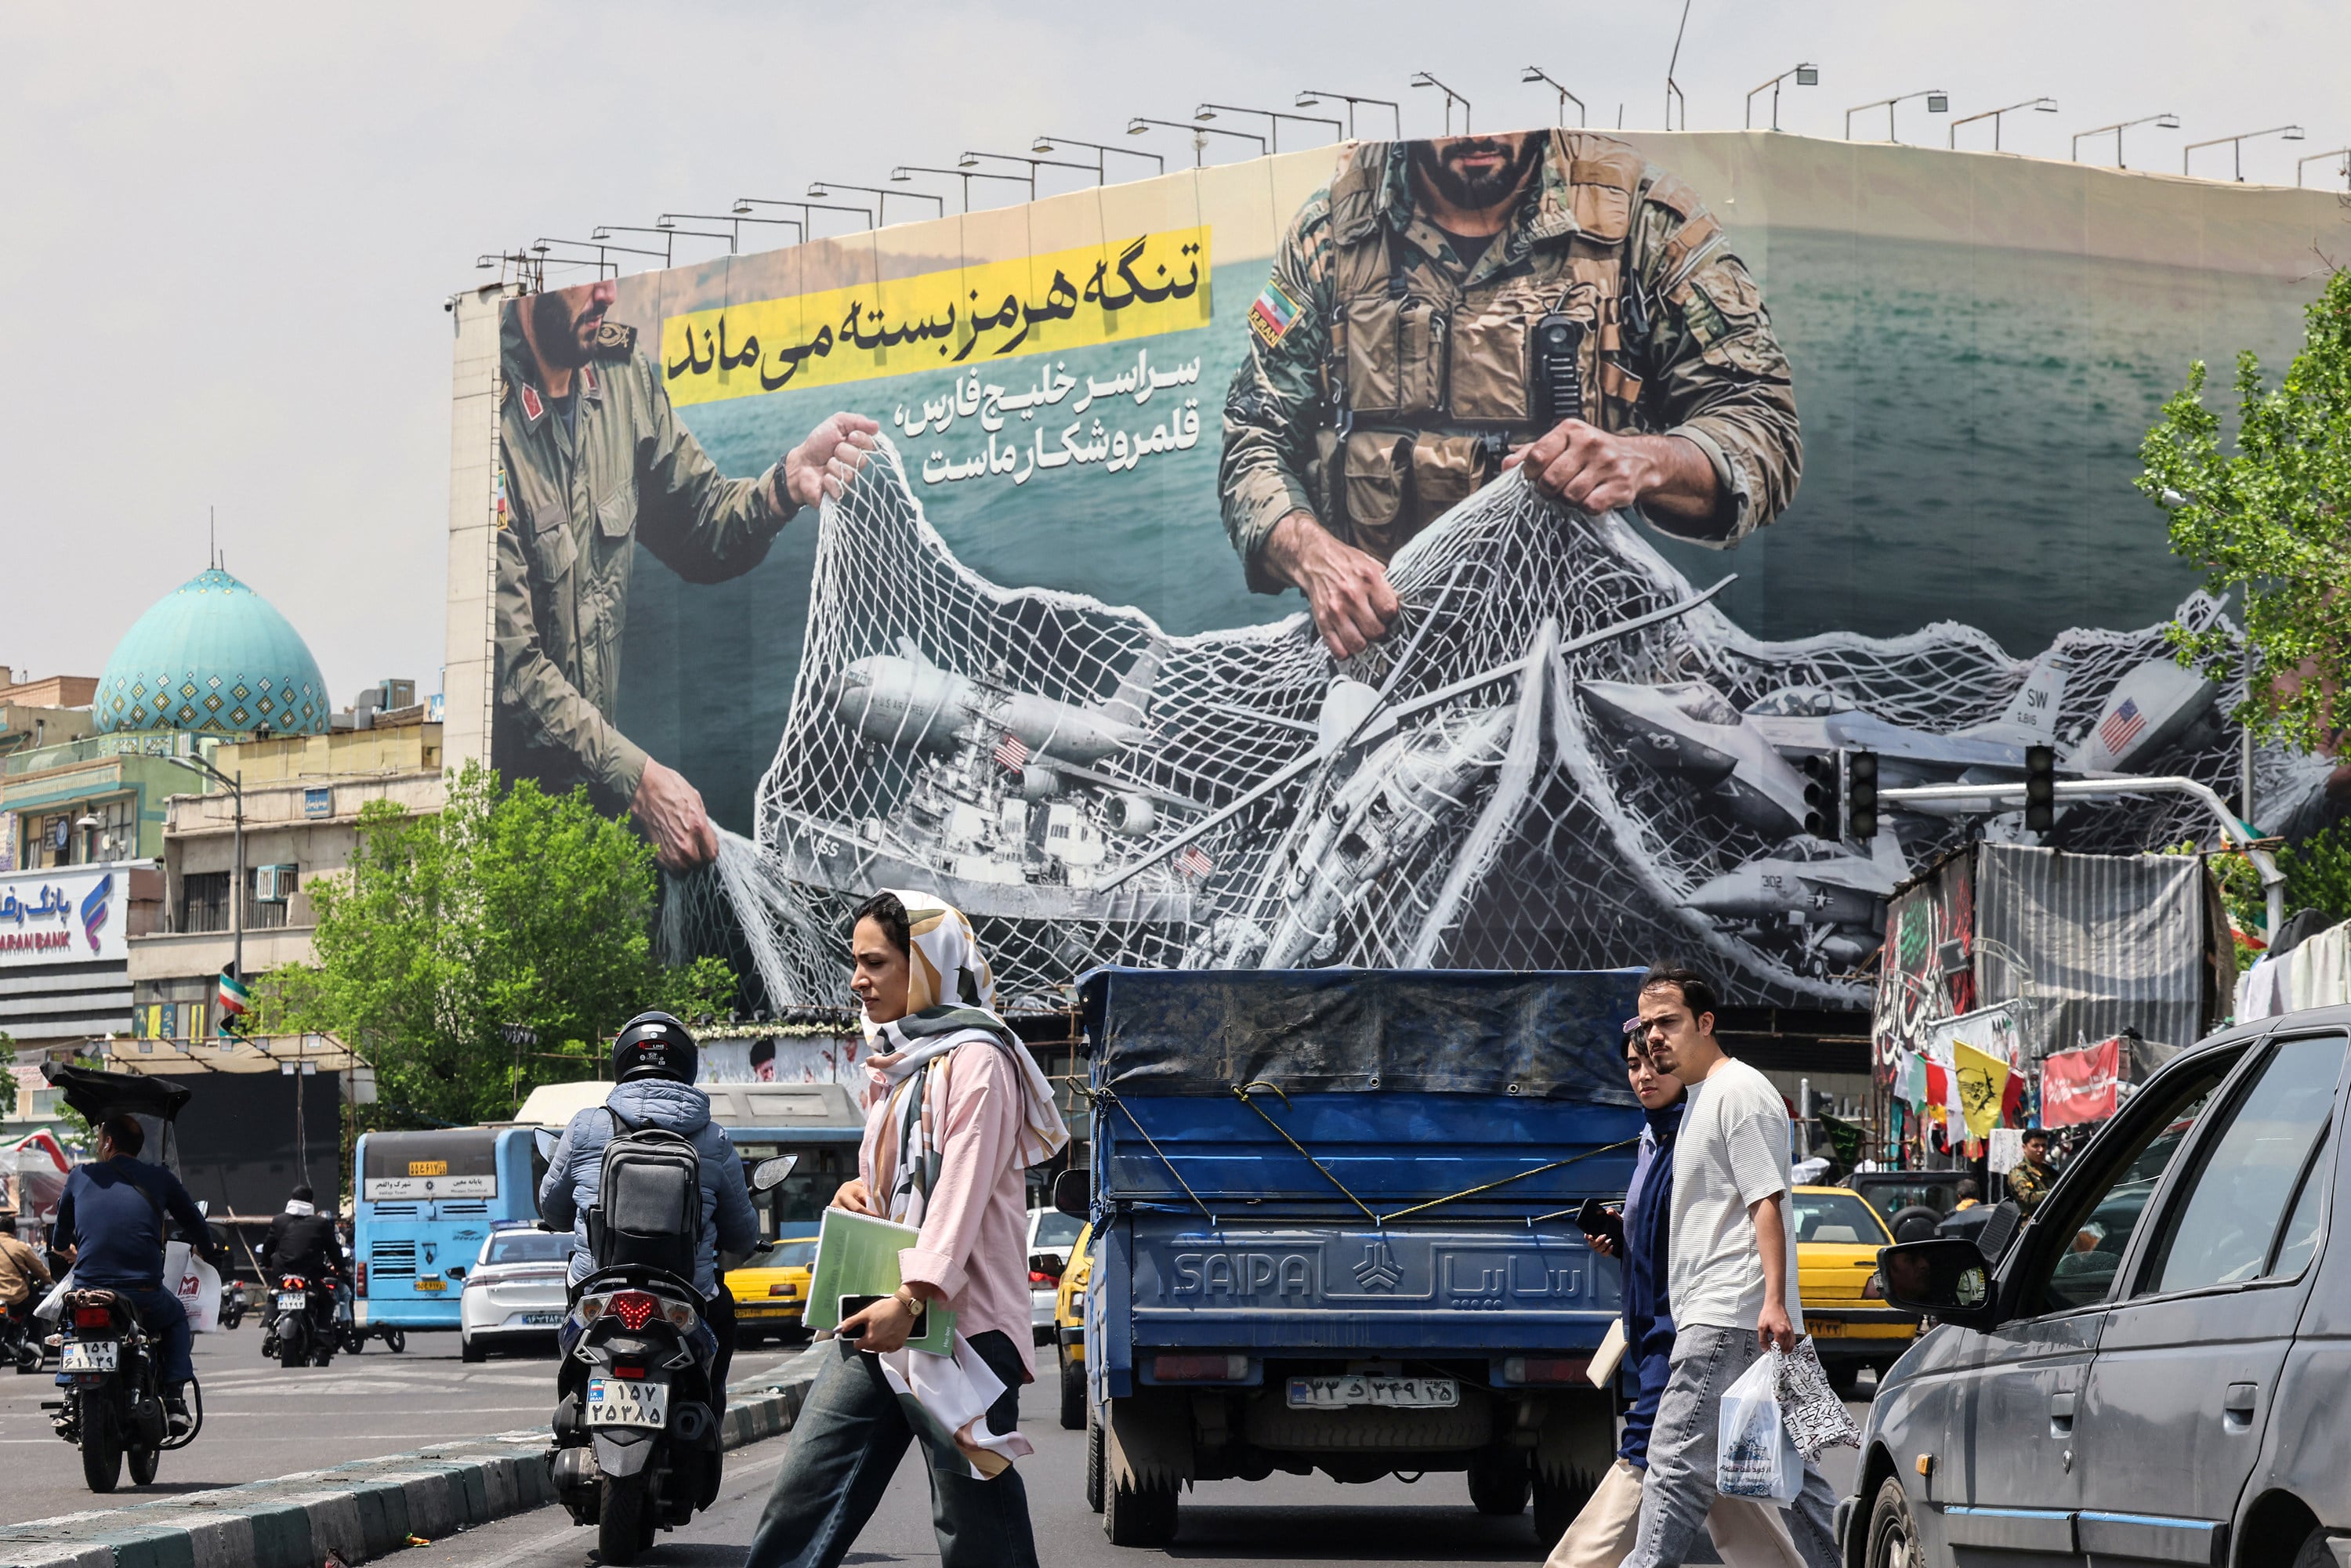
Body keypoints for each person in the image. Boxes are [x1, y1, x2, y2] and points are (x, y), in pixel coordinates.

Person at [1221, 129, 1801, 658]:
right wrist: (1312, 554)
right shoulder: (1330, 234)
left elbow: (1761, 422)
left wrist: (1646, 460)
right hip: (1385, 660)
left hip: (1588, 651)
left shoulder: (1644, 221)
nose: (1479, 132)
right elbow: (1254, 437)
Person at [493, 276, 882, 868]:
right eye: (586, 282)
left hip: (606, 825)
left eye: (610, 277)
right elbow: (513, 669)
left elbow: (702, 526)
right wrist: (642, 781)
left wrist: (786, 483)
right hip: (515, 848)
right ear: (532, 287)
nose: (606, 297)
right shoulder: (486, 423)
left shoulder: (624, 378)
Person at [745, 890, 1069, 1568]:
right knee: (801, 1496)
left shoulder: (980, 1058)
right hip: (882, 1311)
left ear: (926, 964)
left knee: (974, 1528)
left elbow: (961, 1193)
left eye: (875, 962)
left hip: (963, 1324)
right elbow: (901, 1188)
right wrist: (857, 1189)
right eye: (856, 961)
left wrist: (914, 1298)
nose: (857, 978)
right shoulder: (900, 1063)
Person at [1548, 1032, 1801, 1568]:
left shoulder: (1698, 1135)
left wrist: (1773, 1299)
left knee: (1647, 1460)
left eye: (1656, 1064)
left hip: (1690, 1336)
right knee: (1732, 1488)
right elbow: (1672, 1247)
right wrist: (1625, 1239)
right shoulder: (1653, 1142)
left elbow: (1747, 1221)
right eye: (1634, 1065)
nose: (1644, 1075)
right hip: (1657, 1336)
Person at [1618, 966, 1839, 1568]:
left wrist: (1771, 1299)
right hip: (1753, 1317)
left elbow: (1765, 1200)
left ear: (1705, 1022)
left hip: (1730, 1313)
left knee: (1671, 1467)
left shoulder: (1738, 1091)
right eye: (1647, 1024)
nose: (1655, 1036)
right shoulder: (1698, 1097)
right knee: (1798, 1478)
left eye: (1668, 1022)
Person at [538, 1012, 759, 1414]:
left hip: (598, 1287)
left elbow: (551, 1208)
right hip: (686, 1292)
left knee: (574, 1317)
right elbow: (743, 1236)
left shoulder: (586, 1126)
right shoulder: (714, 1139)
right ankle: (710, 1411)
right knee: (722, 1310)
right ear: (687, 1065)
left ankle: (574, 1400)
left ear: (622, 1060)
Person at [50, 1114, 224, 1432]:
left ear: (108, 1143)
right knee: (175, 1320)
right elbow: (195, 1224)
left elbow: (60, 1240)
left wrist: (68, 1251)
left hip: (89, 1290)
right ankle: (174, 1399)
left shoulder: (80, 1176)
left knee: (69, 1321)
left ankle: (69, 1394)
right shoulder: (160, 1178)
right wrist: (205, 1248)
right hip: (143, 1292)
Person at [2006, 1130, 2058, 1213]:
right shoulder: (2019, 1172)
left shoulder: (2049, 1171)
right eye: (2036, 1146)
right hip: (2032, 1222)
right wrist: (2055, 1192)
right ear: (2024, 1148)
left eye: (2044, 1145)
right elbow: (2028, 1197)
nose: (2041, 1150)